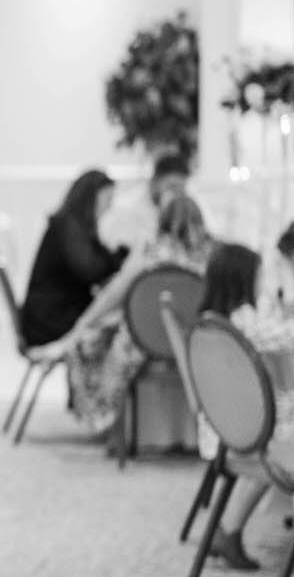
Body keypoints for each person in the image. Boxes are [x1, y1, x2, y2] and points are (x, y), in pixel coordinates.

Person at [196, 242, 294, 571]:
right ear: (243, 280)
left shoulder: (211, 318)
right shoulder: (244, 319)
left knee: (286, 425)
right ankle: (231, 531)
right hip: (241, 431)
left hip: (220, 422)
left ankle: (227, 531)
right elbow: (285, 337)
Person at [64, 195, 214, 438]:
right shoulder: (212, 254)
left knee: (90, 340)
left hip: (145, 340)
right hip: (194, 341)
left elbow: (116, 292)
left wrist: (84, 322)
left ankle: (102, 417)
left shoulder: (150, 250)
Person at [19, 169, 127, 348]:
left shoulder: (73, 225)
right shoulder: (69, 225)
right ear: (91, 197)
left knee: (110, 319)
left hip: (52, 312)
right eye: (108, 198)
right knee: (112, 327)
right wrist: (117, 260)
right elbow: (89, 270)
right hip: (49, 319)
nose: (109, 206)